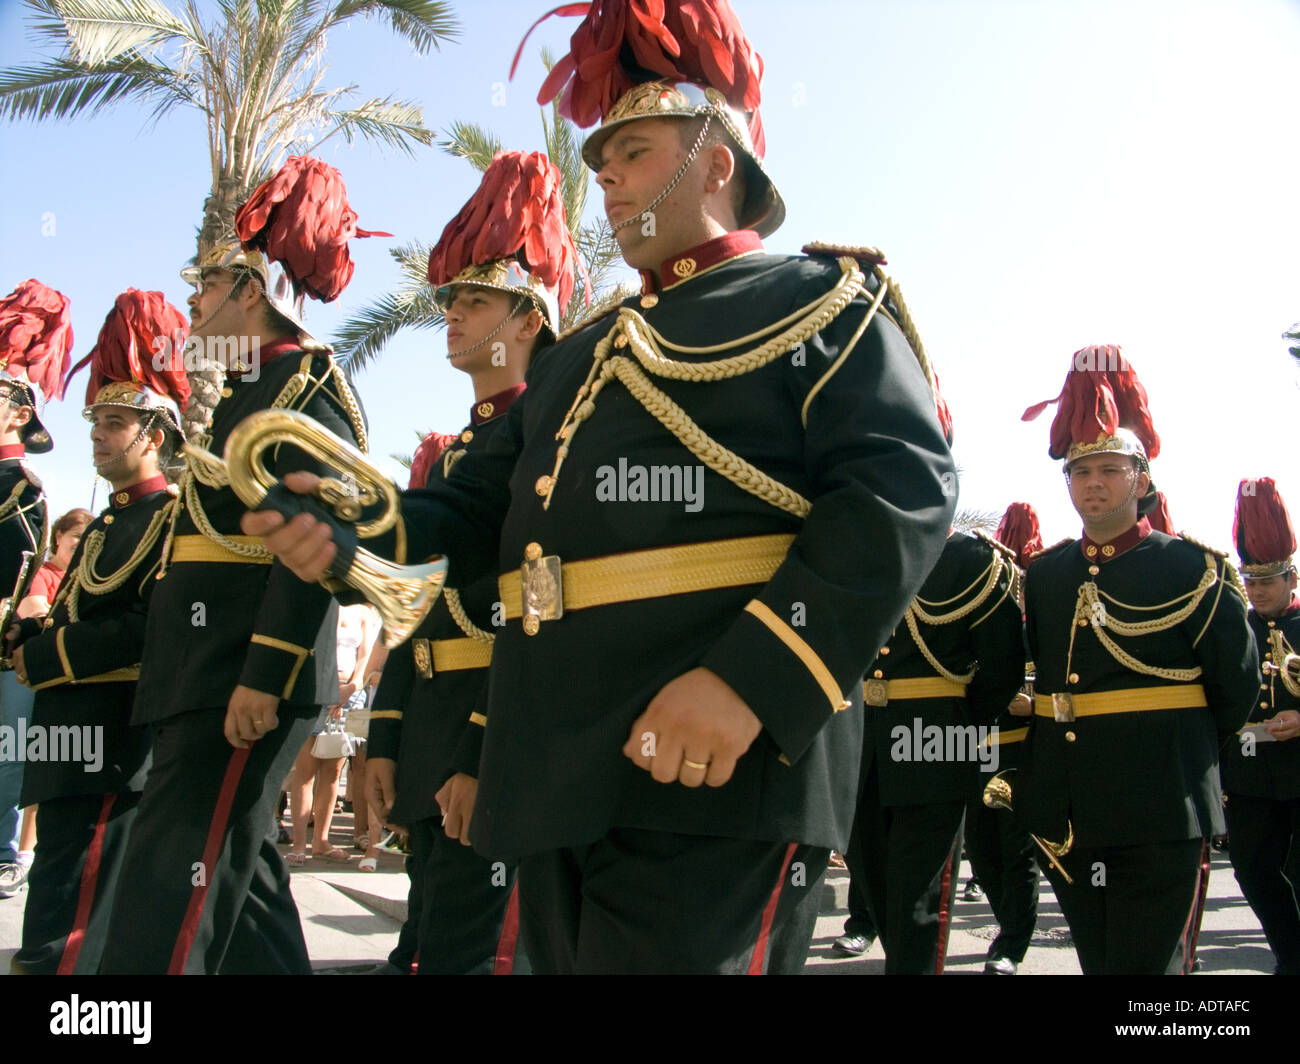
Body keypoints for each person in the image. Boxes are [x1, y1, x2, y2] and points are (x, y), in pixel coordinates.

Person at [245, 0, 956, 974]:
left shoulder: (821, 301)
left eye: (632, 151)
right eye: (600, 156)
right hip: (557, 773)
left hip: (721, 763)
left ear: (716, 160)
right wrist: (356, 524)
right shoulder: (576, 359)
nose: (606, 177)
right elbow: (468, 513)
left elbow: (896, 497)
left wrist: (754, 679)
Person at [98, 156, 373, 974]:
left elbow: (310, 547)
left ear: (249, 291)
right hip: (203, 664)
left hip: (240, 674)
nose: (191, 303)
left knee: (172, 886)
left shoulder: (303, 390)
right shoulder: (253, 392)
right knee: (240, 881)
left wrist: (267, 669)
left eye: (205, 285)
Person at [364, 150, 578, 973]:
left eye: (477, 300)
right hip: (429, 728)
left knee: (473, 957)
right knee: (421, 950)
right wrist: (385, 737)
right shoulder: (461, 451)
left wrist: (481, 752)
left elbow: (540, 594)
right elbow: (409, 605)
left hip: (492, 733)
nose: (452, 315)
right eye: (451, 300)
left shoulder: (547, 433)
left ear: (529, 319)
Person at [1015, 348, 1257, 974]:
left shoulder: (1193, 569)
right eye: (1080, 470)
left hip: (1163, 801)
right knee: (1100, 963)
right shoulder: (1045, 577)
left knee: (1149, 972)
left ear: (1142, 480)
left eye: (1110, 469)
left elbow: (1235, 687)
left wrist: (1181, 753)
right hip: (1071, 808)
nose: (1093, 481)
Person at [7, 288, 189, 974]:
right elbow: (79, 612)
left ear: (156, 434)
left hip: (111, 735)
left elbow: (150, 629)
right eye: (95, 420)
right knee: (57, 894)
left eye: (115, 421)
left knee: (73, 932)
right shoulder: (108, 523)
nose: (97, 433)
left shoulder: (169, 520)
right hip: (67, 731)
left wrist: (46, 654)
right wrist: (28, 633)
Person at [841, 394, 1025, 974]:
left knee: (919, 900)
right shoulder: (854, 554)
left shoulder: (975, 563)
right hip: (861, 746)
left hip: (936, 746)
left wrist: (956, 733)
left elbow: (1000, 670)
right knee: (874, 887)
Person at [0, 278, 71, 900]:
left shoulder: (21, 485)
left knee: (4, 761)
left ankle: (3, 853)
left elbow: (15, 574)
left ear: (21, 413)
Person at [960, 500, 1044, 974]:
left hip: (1023, 753)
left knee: (1016, 852)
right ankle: (1007, 924)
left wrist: (1035, 709)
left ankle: (1013, 942)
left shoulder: (1042, 633)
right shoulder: (975, 626)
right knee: (983, 852)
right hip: (976, 753)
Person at [1220, 478, 1300, 975]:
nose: (1258, 590)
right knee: (1253, 871)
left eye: (1268, 581)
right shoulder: (1235, 629)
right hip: (1249, 776)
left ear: (1292, 579)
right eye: (1250, 581)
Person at [285, 603, 378, 865]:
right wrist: (328, 688)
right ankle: (300, 843)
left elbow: (365, 656)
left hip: (351, 697)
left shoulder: (364, 612)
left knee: (333, 771)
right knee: (306, 770)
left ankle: (322, 841)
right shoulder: (322, 601)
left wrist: (351, 687)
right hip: (315, 690)